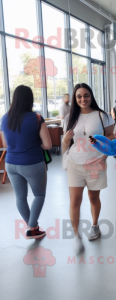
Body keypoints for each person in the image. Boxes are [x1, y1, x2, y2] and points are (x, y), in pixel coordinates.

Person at [62, 83, 114, 254]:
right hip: (74, 164)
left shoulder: (102, 115)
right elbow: (66, 146)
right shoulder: (70, 118)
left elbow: (111, 137)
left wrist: (104, 157)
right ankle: (77, 236)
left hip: (96, 163)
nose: (83, 99)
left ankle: (95, 225)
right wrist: (64, 141)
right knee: (74, 201)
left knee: (93, 198)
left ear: (91, 96)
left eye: (86, 95)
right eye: (79, 96)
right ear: (75, 98)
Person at [0, 85, 52, 239]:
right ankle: (32, 227)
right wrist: (36, 144)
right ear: (30, 100)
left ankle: (33, 227)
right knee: (39, 195)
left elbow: (5, 146)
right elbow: (48, 145)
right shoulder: (36, 118)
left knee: (20, 197)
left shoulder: (4, 118)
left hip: (11, 164)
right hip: (32, 163)